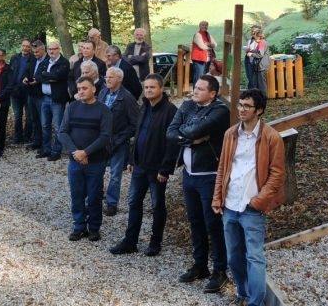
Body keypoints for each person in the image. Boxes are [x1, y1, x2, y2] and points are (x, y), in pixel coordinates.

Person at [212, 88, 286, 306]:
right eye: (240, 105)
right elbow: (223, 168)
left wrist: (258, 201)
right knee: (233, 256)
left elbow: (277, 174)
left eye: (247, 106)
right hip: (230, 205)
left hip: (252, 207)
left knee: (254, 257)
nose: (241, 109)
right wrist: (217, 197)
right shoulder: (230, 134)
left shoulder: (271, 137)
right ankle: (242, 295)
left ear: (259, 110)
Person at [166, 75, 231, 293]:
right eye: (196, 87)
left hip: (209, 175)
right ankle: (200, 265)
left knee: (213, 224)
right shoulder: (187, 106)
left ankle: (220, 270)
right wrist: (191, 139)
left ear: (213, 93)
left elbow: (191, 130)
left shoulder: (220, 111)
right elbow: (170, 132)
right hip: (189, 175)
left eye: (201, 89)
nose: (196, 91)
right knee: (195, 222)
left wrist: (188, 132)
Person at [110, 74, 179, 255]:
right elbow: (138, 134)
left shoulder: (170, 111)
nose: (148, 90)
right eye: (146, 87)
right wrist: (132, 159)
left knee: (157, 206)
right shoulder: (144, 107)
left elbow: (173, 144)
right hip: (139, 165)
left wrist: (165, 169)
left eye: (152, 87)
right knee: (134, 202)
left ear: (161, 89)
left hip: (157, 168)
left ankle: (155, 242)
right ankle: (130, 241)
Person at [58, 76, 113, 242]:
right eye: (79, 89)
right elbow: (62, 132)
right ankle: (79, 226)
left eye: (84, 88)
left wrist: (86, 152)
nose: (81, 91)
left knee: (94, 196)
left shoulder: (103, 110)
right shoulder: (72, 107)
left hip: (95, 162)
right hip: (75, 161)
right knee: (77, 195)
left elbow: (105, 136)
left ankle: (94, 228)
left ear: (93, 89)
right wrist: (76, 152)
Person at [97, 66, 138, 216]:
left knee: (115, 175)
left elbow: (134, 124)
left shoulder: (127, 98)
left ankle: (112, 203)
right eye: (106, 77)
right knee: (98, 171)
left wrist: (120, 138)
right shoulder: (102, 93)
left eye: (110, 77)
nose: (107, 79)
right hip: (101, 141)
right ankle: (96, 198)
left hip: (119, 142)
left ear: (119, 79)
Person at [35, 40, 69, 161]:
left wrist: (45, 75)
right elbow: (37, 76)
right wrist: (49, 78)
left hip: (57, 100)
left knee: (58, 126)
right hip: (45, 98)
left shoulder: (64, 62)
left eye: (54, 49)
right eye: (49, 49)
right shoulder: (45, 62)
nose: (51, 51)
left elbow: (58, 76)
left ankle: (56, 151)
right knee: (45, 125)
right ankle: (46, 149)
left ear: (58, 49)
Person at [9, 39, 35, 144]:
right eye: (24, 46)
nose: (25, 48)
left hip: (28, 91)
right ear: (21, 46)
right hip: (15, 91)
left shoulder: (33, 59)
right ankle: (17, 137)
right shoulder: (14, 58)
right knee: (17, 116)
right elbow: (10, 73)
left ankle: (27, 137)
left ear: (30, 48)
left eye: (27, 46)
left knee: (29, 116)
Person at [24, 41, 46, 151]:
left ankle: (45, 144)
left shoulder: (48, 60)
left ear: (43, 50)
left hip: (41, 94)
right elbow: (28, 71)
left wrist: (37, 80)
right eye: (34, 52)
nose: (35, 54)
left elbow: (47, 76)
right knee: (34, 119)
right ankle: (37, 141)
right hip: (31, 93)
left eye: (37, 52)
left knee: (43, 121)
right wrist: (25, 78)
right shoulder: (33, 59)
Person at [246, 27, 269, 92]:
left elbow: (260, 54)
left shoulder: (261, 43)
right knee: (257, 83)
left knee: (261, 85)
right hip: (261, 66)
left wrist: (251, 54)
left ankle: (263, 97)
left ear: (258, 37)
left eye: (255, 36)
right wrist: (252, 51)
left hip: (261, 65)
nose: (254, 38)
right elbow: (258, 51)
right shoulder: (262, 42)